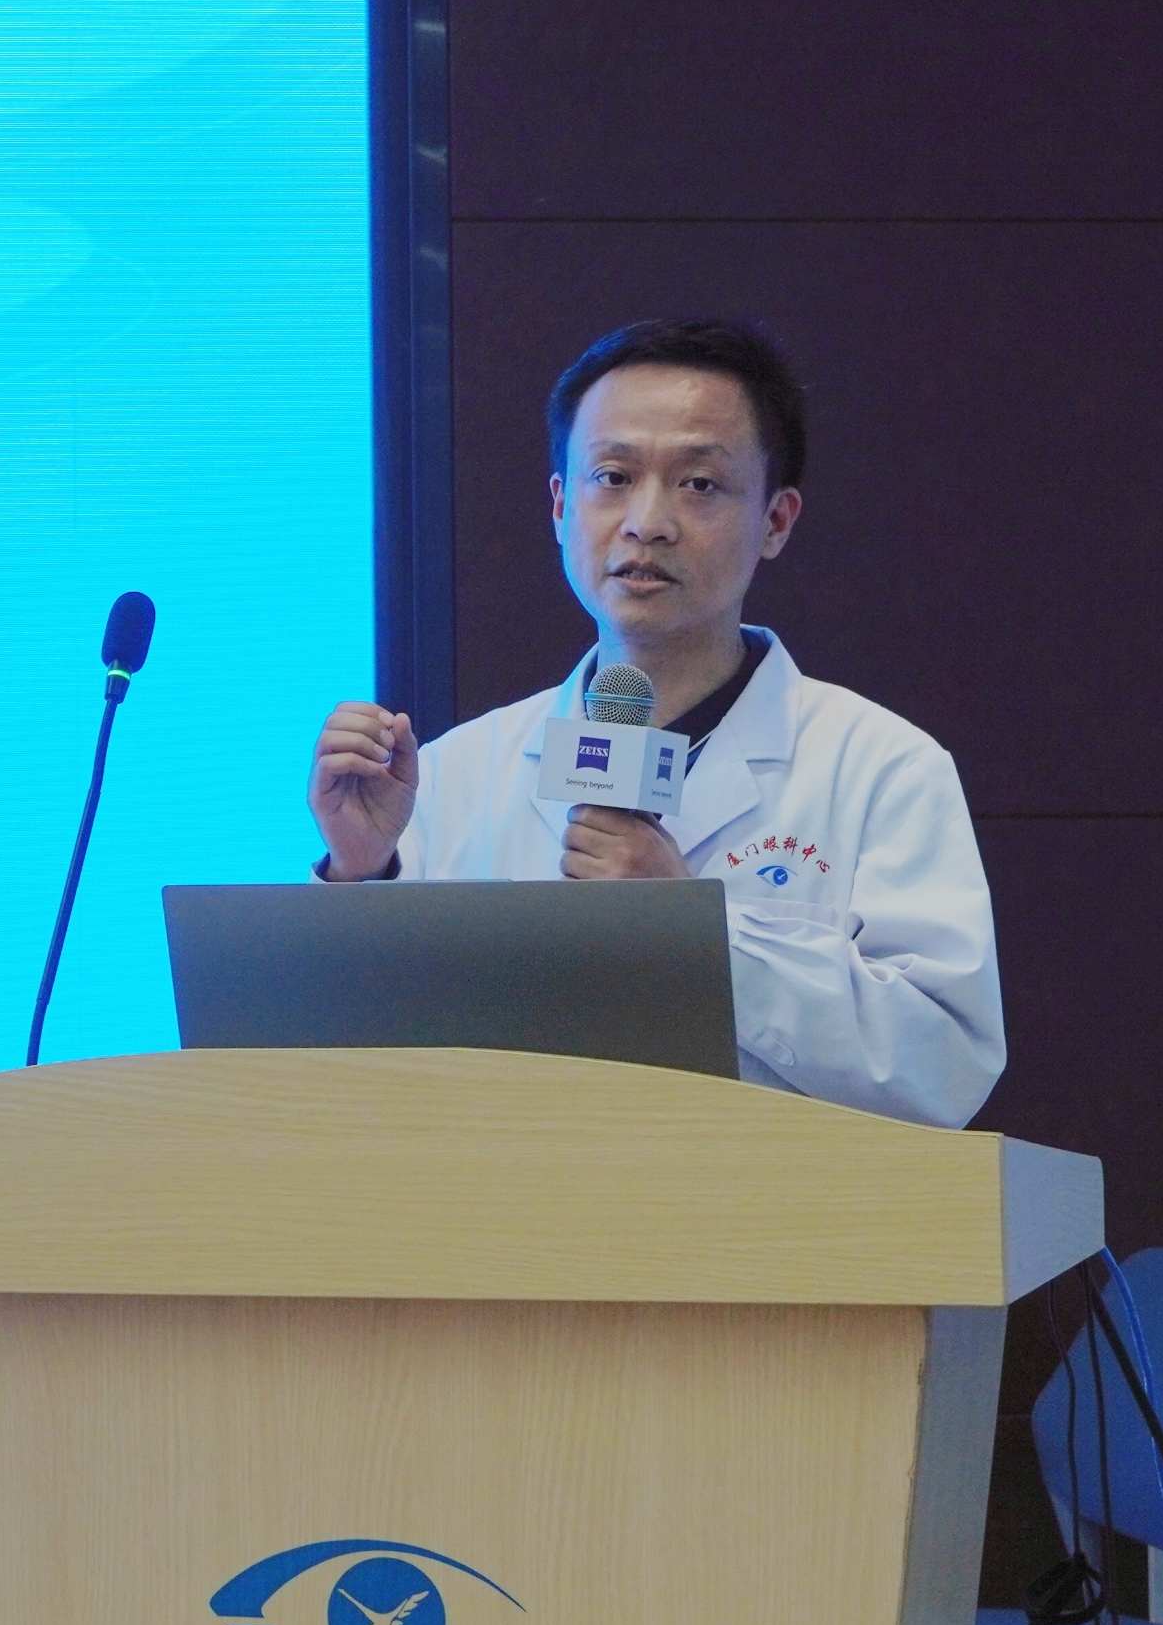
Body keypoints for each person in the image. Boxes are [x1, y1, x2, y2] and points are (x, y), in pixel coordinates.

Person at [307, 318, 1003, 1127]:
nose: (646, 522)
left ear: (776, 521)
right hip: (509, 1196)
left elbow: (944, 1068)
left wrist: (695, 933)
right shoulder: (456, 771)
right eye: (612, 476)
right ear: (560, 506)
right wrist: (361, 874)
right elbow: (341, 1083)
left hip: (769, 1203)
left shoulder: (878, 766)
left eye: (698, 484)